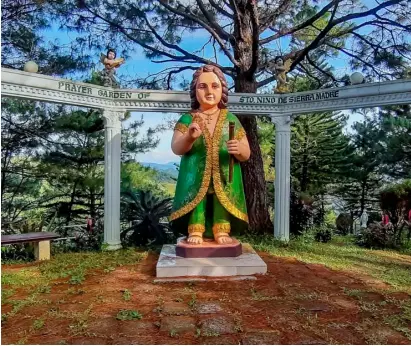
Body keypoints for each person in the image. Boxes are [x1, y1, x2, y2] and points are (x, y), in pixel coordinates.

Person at [169, 65, 250, 245]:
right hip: (196, 174)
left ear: (223, 89)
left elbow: (246, 153)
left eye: (215, 86)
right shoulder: (187, 119)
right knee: (198, 199)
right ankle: (196, 229)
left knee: (222, 201)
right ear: (194, 90)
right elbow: (176, 147)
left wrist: (239, 149)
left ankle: (221, 230)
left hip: (223, 173)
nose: (209, 92)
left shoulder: (231, 119)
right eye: (202, 86)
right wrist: (189, 137)